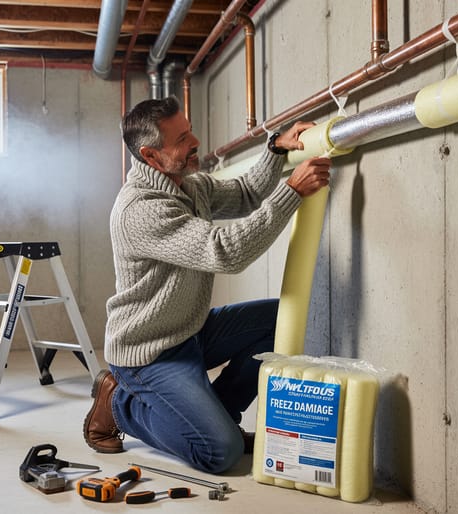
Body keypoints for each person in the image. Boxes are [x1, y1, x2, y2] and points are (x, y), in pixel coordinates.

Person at [83, 96, 332, 474]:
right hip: (149, 354)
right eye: (182, 139)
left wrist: (275, 148)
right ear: (151, 156)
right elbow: (225, 252)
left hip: (190, 331)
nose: (195, 141)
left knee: (278, 320)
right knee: (220, 453)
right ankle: (121, 405)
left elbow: (247, 193)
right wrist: (292, 192)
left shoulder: (187, 185)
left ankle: (219, 415)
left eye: (189, 130)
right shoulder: (142, 210)